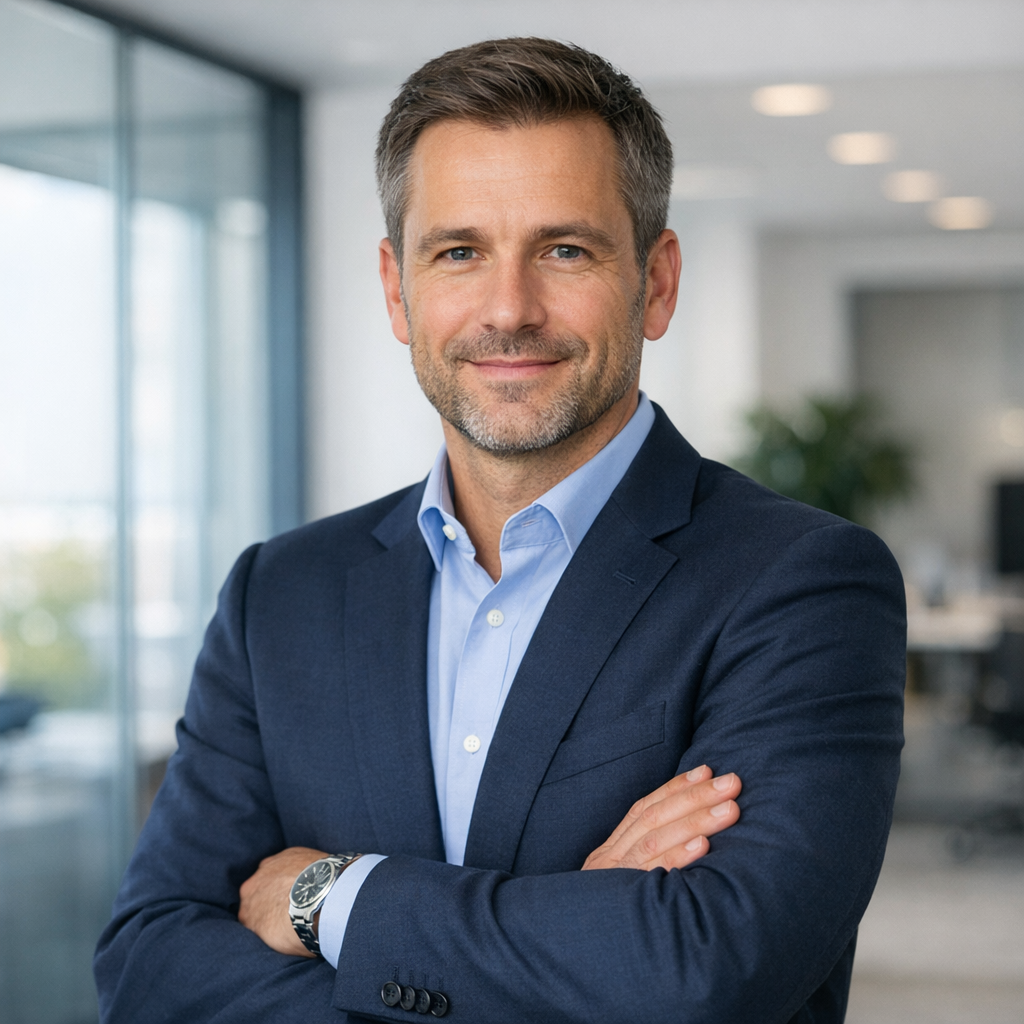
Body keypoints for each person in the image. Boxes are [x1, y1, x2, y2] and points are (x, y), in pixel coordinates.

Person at [94, 37, 905, 1024]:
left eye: (565, 249)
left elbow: (708, 970)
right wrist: (574, 936)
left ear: (655, 280)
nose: (509, 309)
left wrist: (328, 895)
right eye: (459, 252)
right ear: (398, 290)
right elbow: (149, 966)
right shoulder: (283, 591)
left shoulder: (800, 582)